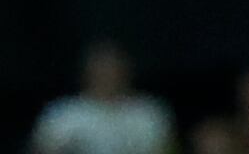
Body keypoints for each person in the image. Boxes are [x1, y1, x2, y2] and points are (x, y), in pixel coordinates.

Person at [35, 42, 179, 154]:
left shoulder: (149, 111)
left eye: (112, 67)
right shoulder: (63, 113)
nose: (107, 74)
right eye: (100, 67)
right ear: (87, 72)